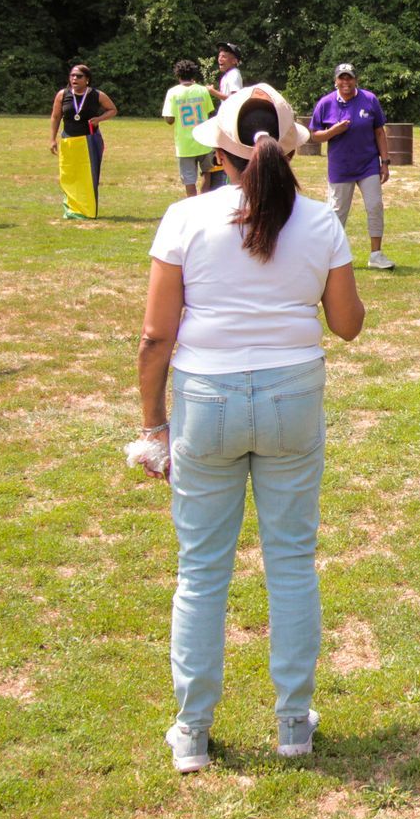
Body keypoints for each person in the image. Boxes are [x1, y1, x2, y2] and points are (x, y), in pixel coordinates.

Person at [134, 83, 365, 774]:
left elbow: (154, 336)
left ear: (223, 153)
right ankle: (293, 722)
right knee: (291, 561)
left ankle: (193, 731)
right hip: (293, 393)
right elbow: (348, 325)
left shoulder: (186, 217)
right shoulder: (321, 221)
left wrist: (151, 425)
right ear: (289, 147)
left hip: (206, 397)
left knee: (201, 572)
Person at [308, 64, 393, 270]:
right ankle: (331, 258)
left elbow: (379, 132)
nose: (345, 82)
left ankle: (376, 255)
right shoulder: (326, 103)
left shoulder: (369, 99)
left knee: (375, 206)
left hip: (368, 165)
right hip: (340, 167)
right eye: (341, 78)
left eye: (349, 78)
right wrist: (333, 131)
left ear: (356, 80)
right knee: (337, 212)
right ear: (335, 81)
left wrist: (385, 162)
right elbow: (315, 135)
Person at [49, 64, 119, 219]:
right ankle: (72, 210)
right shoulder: (63, 94)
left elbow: (113, 109)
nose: (74, 79)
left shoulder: (97, 95)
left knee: (88, 177)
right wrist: (52, 139)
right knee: (69, 175)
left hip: (89, 141)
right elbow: (55, 117)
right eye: (72, 75)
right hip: (69, 140)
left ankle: (87, 210)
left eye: (79, 76)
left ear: (87, 79)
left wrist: (99, 119)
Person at [162, 60, 217, 197]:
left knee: (189, 179)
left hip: (184, 144)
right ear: (194, 74)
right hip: (204, 140)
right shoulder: (202, 90)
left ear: (177, 75)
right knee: (206, 172)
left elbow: (169, 119)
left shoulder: (173, 92)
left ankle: (192, 204)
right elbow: (210, 112)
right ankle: (204, 201)